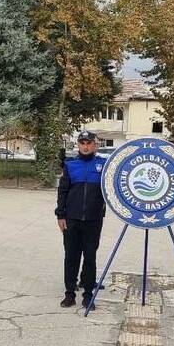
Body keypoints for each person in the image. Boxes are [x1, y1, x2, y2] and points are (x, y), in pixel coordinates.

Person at [55, 131, 107, 309]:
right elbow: (62, 192)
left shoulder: (104, 165)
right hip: (72, 220)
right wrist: (60, 215)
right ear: (78, 145)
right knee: (71, 257)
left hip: (93, 220)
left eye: (89, 143)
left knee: (90, 257)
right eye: (82, 143)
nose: (85, 146)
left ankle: (88, 295)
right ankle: (69, 294)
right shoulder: (70, 165)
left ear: (95, 145)